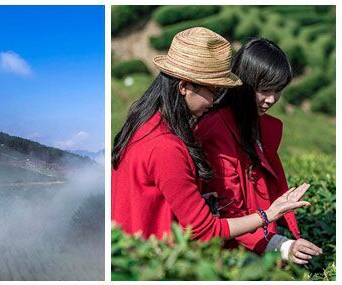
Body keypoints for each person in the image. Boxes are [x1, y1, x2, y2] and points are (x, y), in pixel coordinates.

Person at [111, 27, 311, 243]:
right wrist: (269, 215)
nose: (215, 101)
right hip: (151, 261)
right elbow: (203, 229)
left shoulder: (145, 124)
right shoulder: (165, 146)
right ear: (185, 86)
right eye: (213, 91)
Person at [196, 38, 322, 264]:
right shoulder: (215, 130)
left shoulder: (262, 126)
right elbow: (227, 210)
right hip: (232, 254)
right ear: (243, 84)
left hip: (262, 239)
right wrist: (281, 246)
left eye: (278, 90)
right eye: (264, 90)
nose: (272, 99)